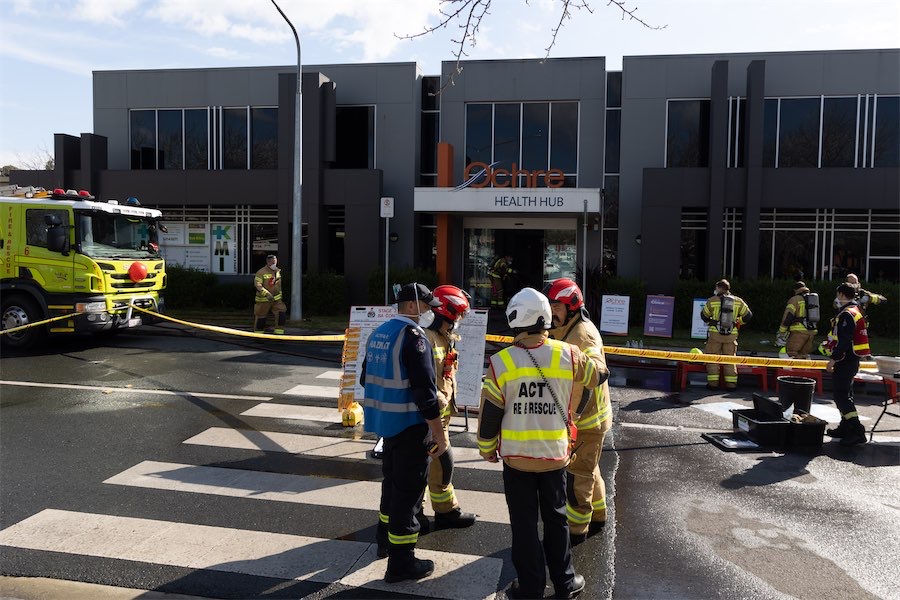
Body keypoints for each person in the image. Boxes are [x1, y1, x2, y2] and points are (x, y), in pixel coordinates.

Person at [477, 287, 607, 600]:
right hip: (555, 460)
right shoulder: (568, 354)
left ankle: (531, 587)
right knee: (556, 520)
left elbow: (491, 413)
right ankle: (564, 583)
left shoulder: (501, 363)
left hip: (517, 461)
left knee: (523, 526)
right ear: (545, 319)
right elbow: (600, 375)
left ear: (514, 320)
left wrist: (486, 447)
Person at [361, 283, 449, 583]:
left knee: (392, 484)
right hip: (410, 426)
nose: (430, 311)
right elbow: (425, 393)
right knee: (408, 494)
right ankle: (401, 563)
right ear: (412, 306)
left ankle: (383, 539)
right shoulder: (414, 338)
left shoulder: (379, 332)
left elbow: (364, 377)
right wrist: (439, 433)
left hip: (385, 425)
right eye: (427, 305)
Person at [543, 278, 611, 546]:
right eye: (549, 305)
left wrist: (572, 418)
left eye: (556, 306)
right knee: (589, 468)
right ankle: (598, 515)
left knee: (577, 476)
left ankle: (576, 530)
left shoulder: (582, 334)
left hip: (586, 422)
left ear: (571, 307)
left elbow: (597, 371)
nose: (551, 311)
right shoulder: (568, 329)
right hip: (587, 419)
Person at [422, 284, 477, 529]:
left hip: (439, 417)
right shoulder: (428, 339)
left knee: (438, 465)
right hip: (428, 419)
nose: (458, 322)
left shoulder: (444, 338)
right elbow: (423, 383)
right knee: (436, 464)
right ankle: (427, 514)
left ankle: (444, 510)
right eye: (457, 316)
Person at [823, 283, 872, 446]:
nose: (837, 298)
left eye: (838, 294)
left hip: (846, 360)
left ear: (842, 295)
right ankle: (845, 428)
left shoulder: (847, 314)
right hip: (851, 360)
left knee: (841, 396)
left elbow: (844, 341)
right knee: (845, 394)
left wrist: (832, 360)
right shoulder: (857, 311)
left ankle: (857, 431)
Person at [701, 279, 752, 390]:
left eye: (716, 288)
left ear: (719, 288)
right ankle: (731, 385)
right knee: (730, 360)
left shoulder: (712, 300)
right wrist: (739, 322)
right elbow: (748, 316)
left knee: (712, 359)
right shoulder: (738, 301)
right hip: (731, 336)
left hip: (715, 335)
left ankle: (713, 385)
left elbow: (703, 316)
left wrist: (711, 321)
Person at [775, 281, 819, 359]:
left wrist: (782, 331)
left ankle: (790, 371)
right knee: (803, 355)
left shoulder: (795, 299)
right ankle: (804, 370)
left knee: (792, 353)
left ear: (795, 290)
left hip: (798, 332)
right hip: (811, 332)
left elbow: (788, 316)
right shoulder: (812, 299)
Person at [253, 254, 286, 335]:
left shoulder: (277, 271)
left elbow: (277, 285)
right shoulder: (261, 272)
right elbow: (258, 285)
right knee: (261, 318)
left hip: (276, 299)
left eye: (275, 262)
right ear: (268, 262)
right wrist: (267, 294)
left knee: (281, 313)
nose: (275, 264)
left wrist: (279, 296)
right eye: (273, 262)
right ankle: (258, 335)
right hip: (264, 300)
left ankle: (279, 334)